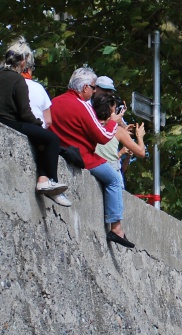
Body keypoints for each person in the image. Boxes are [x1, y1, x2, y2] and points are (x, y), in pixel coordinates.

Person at [50, 67, 136, 248]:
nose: (95, 91)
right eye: (93, 87)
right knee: (114, 178)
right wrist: (114, 121)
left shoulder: (55, 101)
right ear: (84, 88)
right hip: (82, 156)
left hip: (59, 149)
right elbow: (103, 137)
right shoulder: (82, 106)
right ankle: (116, 228)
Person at [0, 37, 68, 205]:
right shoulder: (18, 80)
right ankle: (47, 179)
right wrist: (38, 126)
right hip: (9, 121)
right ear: (23, 62)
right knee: (50, 139)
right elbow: (25, 112)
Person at [92, 91, 146, 184]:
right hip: (110, 175)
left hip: (92, 170)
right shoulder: (118, 131)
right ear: (112, 111)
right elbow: (141, 152)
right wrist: (139, 136)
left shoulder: (90, 124)